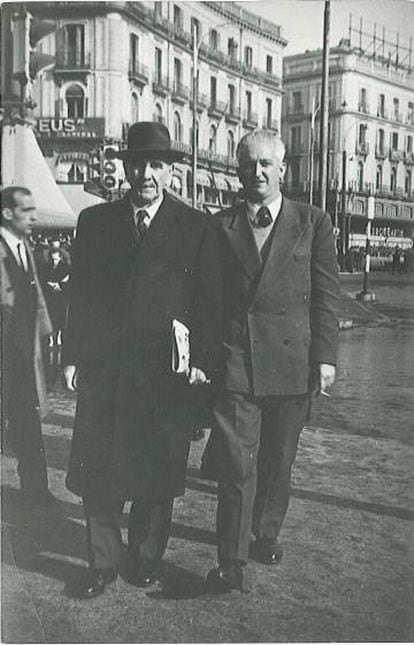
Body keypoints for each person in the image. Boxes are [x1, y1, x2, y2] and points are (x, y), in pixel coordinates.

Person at [62, 122, 222, 599]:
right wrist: (72, 356)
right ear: (124, 166)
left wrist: (202, 360)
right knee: (98, 468)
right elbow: (81, 295)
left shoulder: (196, 226)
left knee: (156, 469)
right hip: (106, 369)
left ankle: (147, 556)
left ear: (170, 170)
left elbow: (210, 303)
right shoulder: (95, 222)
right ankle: (102, 562)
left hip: (163, 374)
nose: (145, 174)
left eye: (156, 164)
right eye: (138, 163)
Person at [202, 130, 339, 593]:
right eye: (247, 164)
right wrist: (206, 357)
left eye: (265, 164)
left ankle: (266, 532)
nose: (256, 173)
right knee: (236, 465)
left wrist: (325, 358)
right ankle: (230, 561)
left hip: (292, 363)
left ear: (283, 170)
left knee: (279, 461)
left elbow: (326, 297)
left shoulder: (313, 221)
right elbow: (209, 301)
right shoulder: (220, 226)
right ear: (236, 170)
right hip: (237, 361)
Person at [0, 186, 55, 508]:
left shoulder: (25, 247)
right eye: (26, 210)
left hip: (24, 354)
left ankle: (36, 492)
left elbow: (37, 301)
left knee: (28, 422)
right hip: (6, 353)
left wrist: (46, 336)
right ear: (8, 213)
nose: (34, 216)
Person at [41, 247, 70, 346]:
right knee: (50, 316)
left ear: (60, 257)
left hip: (61, 296)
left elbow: (68, 280)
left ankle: (58, 336)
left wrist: (59, 285)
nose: (54, 261)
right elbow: (43, 279)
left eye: (56, 259)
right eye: (53, 259)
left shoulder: (65, 267)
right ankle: (50, 338)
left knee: (60, 317)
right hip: (50, 295)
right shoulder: (46, 267)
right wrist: (51, 284)